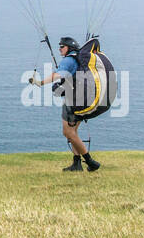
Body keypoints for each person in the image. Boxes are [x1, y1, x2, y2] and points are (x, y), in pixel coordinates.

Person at [30, 36, 101, 172]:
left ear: (69, 48)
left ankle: (90, 161)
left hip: (73, 102)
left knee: (68, 132)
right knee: (72, 132)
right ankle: (77, 163)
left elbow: (57, 75)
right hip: (81, 99)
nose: (59, 49)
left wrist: (40, 82)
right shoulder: (76, 59)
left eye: (62, 46)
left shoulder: (69, 60)